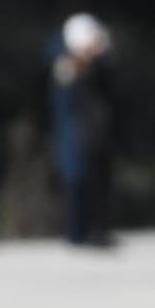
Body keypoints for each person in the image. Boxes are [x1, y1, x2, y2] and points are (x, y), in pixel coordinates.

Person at [53, 14, 119, 248]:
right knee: (85, 183)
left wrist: (100, 50)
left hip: (102, 132)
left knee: (103, 183)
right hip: (85, 134)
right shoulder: (71, 66)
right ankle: (81, 231)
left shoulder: (102, 65)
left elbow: (109, 74)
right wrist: (85, 56)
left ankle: (101, 229)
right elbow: (66, 78)